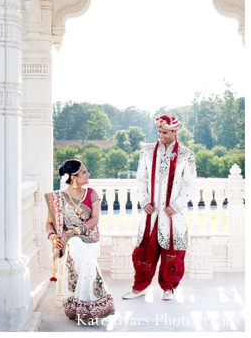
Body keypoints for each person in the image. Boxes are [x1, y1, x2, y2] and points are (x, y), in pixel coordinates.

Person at [122, 114, 196, 301]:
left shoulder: (186, 155)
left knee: (173, 251)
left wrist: (176, 206)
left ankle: (169, 288)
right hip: (151, 212)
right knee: (145, 249)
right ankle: (140, 287)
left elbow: (190, 184)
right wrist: (145, 201)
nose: (161, 135)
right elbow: (141, 178)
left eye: (165, 132)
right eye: (159, 132)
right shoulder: (147, 151)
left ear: (174, 131)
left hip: (173, 214)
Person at [45, 159, 115, 324]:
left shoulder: (91, 194)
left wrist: (78, 230)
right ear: (74, 177)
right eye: (84, 172)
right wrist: (53, 236)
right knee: (74, 243)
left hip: (89, 238)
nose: (88, 174)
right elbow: (49, 223)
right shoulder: (58, 198)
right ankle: (87, 306)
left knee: (77, 244)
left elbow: (95, 219)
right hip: (70, 241)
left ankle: (81, 307)